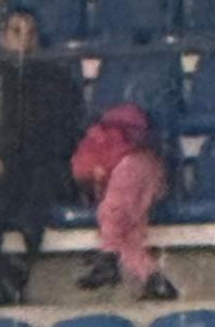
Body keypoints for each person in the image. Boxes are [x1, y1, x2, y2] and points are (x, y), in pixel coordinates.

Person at [0, 5, 86, 308]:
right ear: (3, 38)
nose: (24, 40)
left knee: (29, 189)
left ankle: (8, 277)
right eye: (17, 32)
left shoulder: (58, 84)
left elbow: (59, 140)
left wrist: (9, 166)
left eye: (31, 33)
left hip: (37, 172)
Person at [72, 101, 178, 301]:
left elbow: (82, 170)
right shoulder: (144, 141)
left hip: (128, 171)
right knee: (129, 236)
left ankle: (108, 260)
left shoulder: (97, 139)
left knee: (110, 212)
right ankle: (153, 279)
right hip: (153, 172)